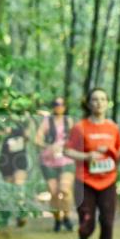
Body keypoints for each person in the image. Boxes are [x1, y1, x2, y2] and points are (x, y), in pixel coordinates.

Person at [63, 88, 120, 239]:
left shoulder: (112, 127)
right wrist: (86, 155)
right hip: (85, 181)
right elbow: (67, 151)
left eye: (102, 99)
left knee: (107, 223)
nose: (99, 103)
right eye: (95, 99)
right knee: (87, 223)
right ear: (89, 103)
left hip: (108, 181)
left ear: (107, 103)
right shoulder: (80, 127)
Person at [35, 97, 76, 231]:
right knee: (53, 192)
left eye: (62, 104)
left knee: (65, 190)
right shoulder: (47, 121)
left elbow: (75, 138)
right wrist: (49, 146)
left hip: (66, 160)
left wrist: (66, 146)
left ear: (65, 106)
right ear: (53, 106)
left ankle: (67, 217)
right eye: (56, 104)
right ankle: (57, 219)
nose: (59, 106)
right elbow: (38, 139)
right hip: (49, 161)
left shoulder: (68, 121)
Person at [0, 122, 30, 226]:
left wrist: (11, 131)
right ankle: (5, 217)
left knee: (19, 189)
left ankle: (21, 216)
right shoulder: (0, 119)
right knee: (8, 190)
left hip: (19, 159)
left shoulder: (23, 119)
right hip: (5, 160)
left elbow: (28, 137)